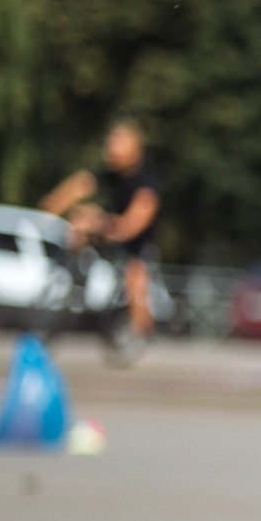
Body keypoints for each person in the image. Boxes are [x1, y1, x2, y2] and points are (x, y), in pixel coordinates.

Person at [40, 116, 163, 348]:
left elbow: (135, 221)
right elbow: (80, 185)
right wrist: (52, 206)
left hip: (137, 236)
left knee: (135, 276)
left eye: (117, 143)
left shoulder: (146, 179)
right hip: (113, 222)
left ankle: (142, 333)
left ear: (135, 148)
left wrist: (105, 227)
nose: (110, 149)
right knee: (80, 219)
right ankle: (73, 274)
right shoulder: (112, 172)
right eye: (110, 143)